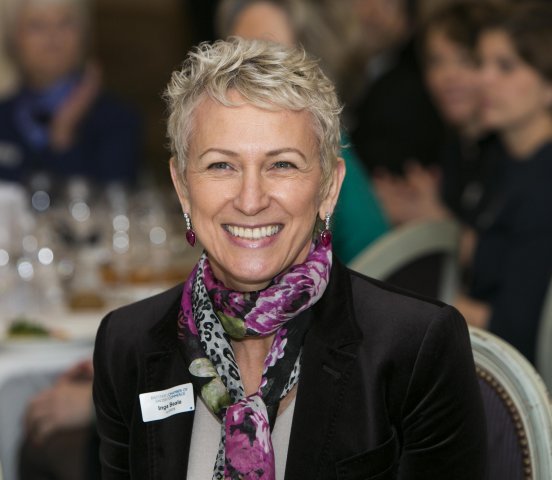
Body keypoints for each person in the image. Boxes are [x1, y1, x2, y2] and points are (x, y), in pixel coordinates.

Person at [93, 38, 485, 479]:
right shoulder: (128, 345)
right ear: (183, 187)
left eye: (282, 165)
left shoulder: (413, 347)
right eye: (222, 165)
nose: (251, 199)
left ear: (329, 188)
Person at [215, 0, 389, 263]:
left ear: (315, 66)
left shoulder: (319, 150)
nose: (246, 74)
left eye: (268, 58)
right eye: (235, 52)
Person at [456, 2, 552, 363]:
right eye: (480, 63)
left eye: (505, 66)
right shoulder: (496, 157)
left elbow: (517, 330)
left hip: (515, 373)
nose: (483, 79)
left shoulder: (543, 184)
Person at [0, 0, 141, 186]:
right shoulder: (3, 117)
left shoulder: (117, 120)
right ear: (14, 40)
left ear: (85, 37)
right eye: (37, 25)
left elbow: (115, 194)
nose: (52, 37)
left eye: (65, 23)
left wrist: (63, 133)